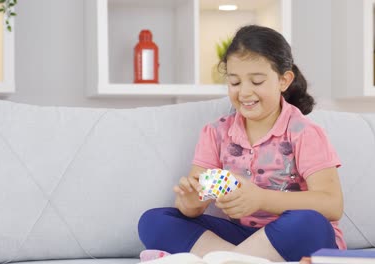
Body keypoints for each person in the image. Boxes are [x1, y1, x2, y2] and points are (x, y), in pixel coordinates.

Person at [137, 24, 346, 262]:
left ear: (284, 80)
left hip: (291, 235)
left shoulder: (304, 132)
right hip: (239, 238)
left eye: (256, 81)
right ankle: (240, 258)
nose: (244, 92)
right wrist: (189, 202)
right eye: (235, 83)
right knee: (153, 221)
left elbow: (332, 204)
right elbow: (196, 203)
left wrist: (260, 199)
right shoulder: (216, 133)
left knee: (310, 223)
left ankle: (225, 258)